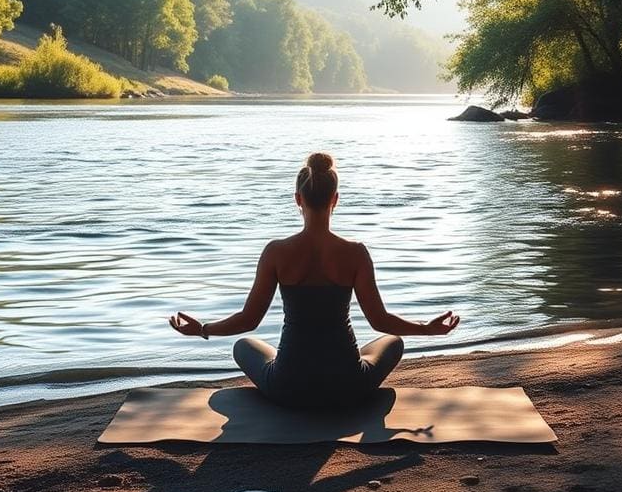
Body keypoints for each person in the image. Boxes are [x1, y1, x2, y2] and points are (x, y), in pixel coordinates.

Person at [170, 152, 460, 409]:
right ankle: (337, 362)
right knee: (392, 342)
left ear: (298, 199)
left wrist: (203, 329)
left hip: (289, 388)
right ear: (335, 199)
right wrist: (426, 329)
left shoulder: (276, 252)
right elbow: (380, 321)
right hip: (347, 388)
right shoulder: (355, 253)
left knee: (243, 345)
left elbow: (249, 319)